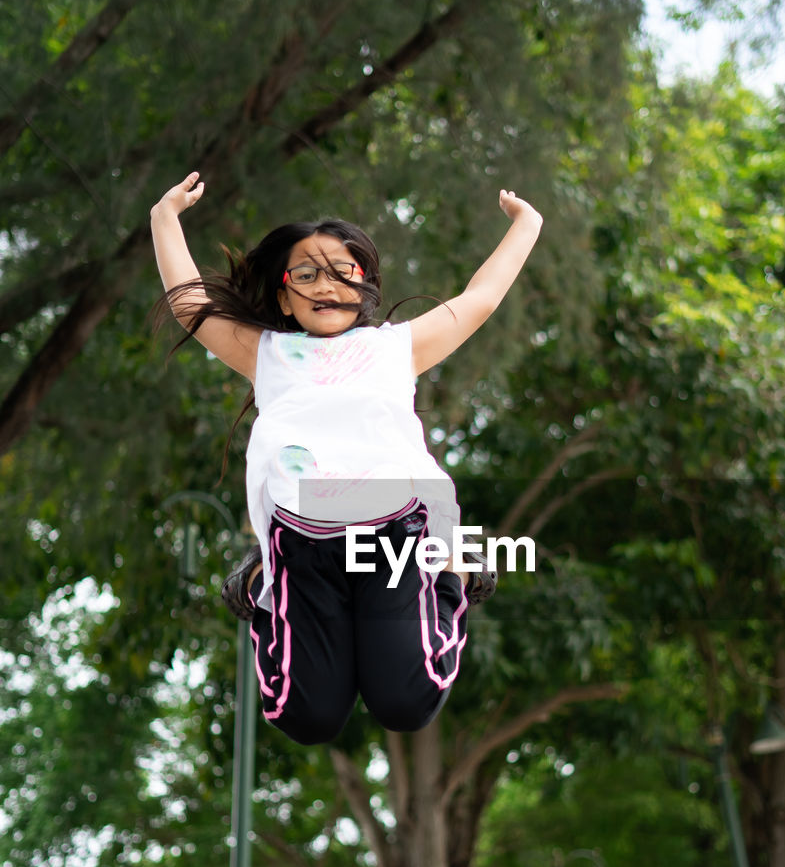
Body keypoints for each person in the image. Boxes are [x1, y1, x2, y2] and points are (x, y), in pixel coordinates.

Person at [150, 173, 542, 744]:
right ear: (284, 295)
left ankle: (453, 572)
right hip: (302, 540)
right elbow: (192, 306)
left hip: (393, 533)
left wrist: (527, 224)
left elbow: (479, 298)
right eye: (306, 274)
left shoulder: (395, 347)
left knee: (407, 704)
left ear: (364, 287)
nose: (325, 285)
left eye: (342, 272)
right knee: (305, 719)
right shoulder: (268, 353)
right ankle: (265, 581)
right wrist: (165, 217)